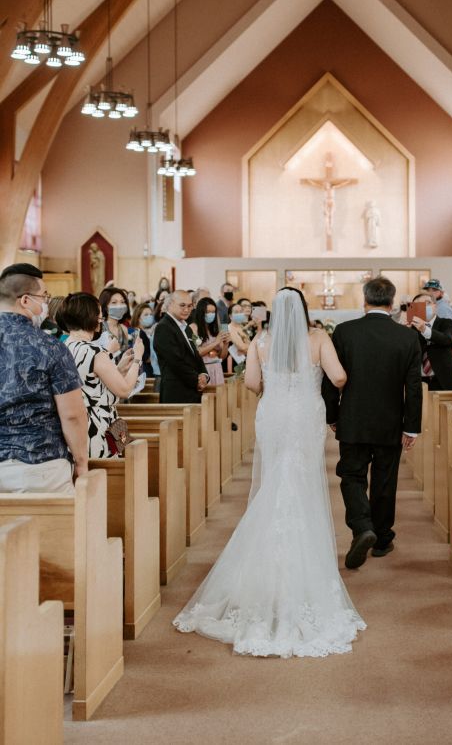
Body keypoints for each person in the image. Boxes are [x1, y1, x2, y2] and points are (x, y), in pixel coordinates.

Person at [173, 287, 365, 657]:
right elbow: (338, 378)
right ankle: (305, 571)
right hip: (305, 412)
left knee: (276, 481)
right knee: (302, 483)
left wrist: (274, 383)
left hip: (274, 413)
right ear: (304, 310)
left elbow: (250, 384)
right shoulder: (318, 337)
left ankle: (262, 573)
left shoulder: (262, 339)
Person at [322, 276, 422, 567]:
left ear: (364, 301)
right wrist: (411, 426)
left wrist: (332, 415)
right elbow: (413, 386)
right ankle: (382, 539)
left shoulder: (344, 332)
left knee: (351, 475)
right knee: (384, 479)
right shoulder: (407, 337)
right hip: (390, 421)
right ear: (392, 303)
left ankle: (361, 526)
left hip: (352, 419)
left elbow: (331, 379)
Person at [0, 263, 88, 492]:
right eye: (44, 296)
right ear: (26, 300)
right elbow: (72, 415)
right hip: (40, 465)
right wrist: (81, 462)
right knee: (60, 528)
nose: (46, 304)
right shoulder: (49, 346)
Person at [59, 293, 144, 458]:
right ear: (90, 317)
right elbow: (125, 390)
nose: (101, 318)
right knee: (106, 477)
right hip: (98, 425)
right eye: (99, 314)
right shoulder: (94, 351)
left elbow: (90, 381)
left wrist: (118, 369)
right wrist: (138, 359)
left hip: (76, 423)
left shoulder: (64, 347)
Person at [154, 291, 209, 403]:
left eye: (189, 306)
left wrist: (204, 374)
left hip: (192, 390)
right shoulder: (163, 327)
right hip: (176, 392)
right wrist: (196, 380)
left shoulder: (187, 328)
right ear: (169, 305)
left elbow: (196, 354)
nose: (187, 309)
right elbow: (175, 361)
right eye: (182, 305)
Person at [406, 292, 452, 390]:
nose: (424, 307)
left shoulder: (446, 322)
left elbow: (447, 339)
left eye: (428, 303)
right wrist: (405, 331)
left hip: (442, 380)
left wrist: (424, 329)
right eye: (419, 305)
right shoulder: (412, 328)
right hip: (419, 380)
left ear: (435, 306)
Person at [192, 298, 230, 385]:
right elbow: (197, 352)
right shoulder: (193, 328)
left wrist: (226, 344)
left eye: (213, 312)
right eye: (208, 312)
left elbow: (222, 356)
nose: (211, 315)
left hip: (217, 368)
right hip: (203, 370)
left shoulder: (215, 330)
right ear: (201, 312)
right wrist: (215, 342)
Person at [131, 301, 160, 379]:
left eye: (151, 314)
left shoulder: (144, 332)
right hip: (144, 372)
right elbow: (145, 357)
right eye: (146, 315)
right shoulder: (139, 333)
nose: (149, 317)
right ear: (138, 317)